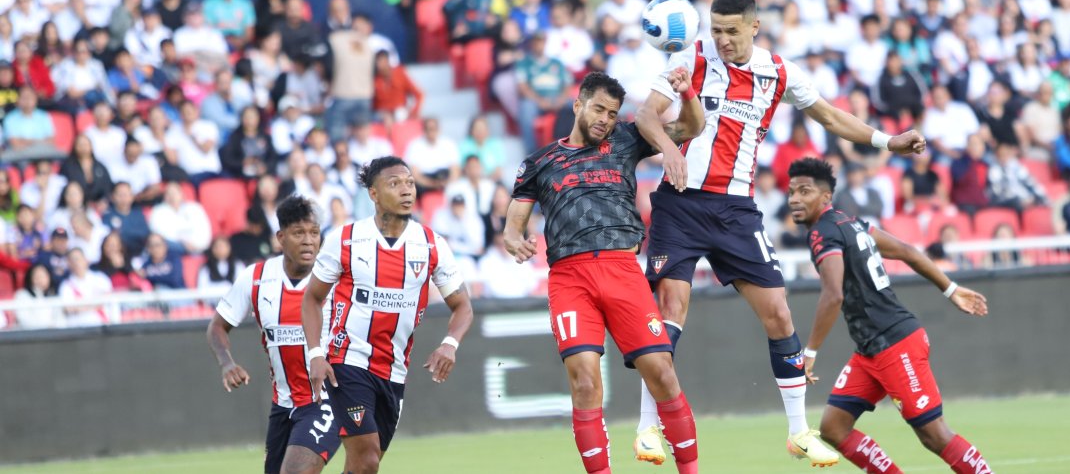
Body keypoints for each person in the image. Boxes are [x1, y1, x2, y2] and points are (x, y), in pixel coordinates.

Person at [634, 0, 926, 466]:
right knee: (671, 309)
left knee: (780, 315)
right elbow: (647, 115)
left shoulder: (779, 72)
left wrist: (887, 140)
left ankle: (797, 431)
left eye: (732, 31)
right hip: (680, 204)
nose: (722, 40)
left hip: (736, 210)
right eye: (717, 30)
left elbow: (829, 116)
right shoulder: (691, 55)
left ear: (754, 27)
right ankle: (648, 427)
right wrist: (667, 148)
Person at [504, 71, 703, 473]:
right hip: (569, 278)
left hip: (622, 268)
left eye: (612, 113)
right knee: (584, 382)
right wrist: (513, 239)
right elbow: (513, 222)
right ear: (578, 105)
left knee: (662, 374)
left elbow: (692, 126)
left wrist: (688, 92)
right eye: (598, 109)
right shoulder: (539, 163)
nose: (605, 119)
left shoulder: (627, 140)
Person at [787, 157, 992, 474]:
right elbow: (907, 251)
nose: (795, 199)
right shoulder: (851, 223)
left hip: (896, 345)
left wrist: (809, 352)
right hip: (871, 349)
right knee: (833, 427)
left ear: (826, 196)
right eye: (791, 192)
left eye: (804, 191)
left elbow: (833, 294)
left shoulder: (823, 234)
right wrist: (950, 290)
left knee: (934, 435)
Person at [302, 156, 473, 474]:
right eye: (394, 183)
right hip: (347, 361)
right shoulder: (346, 239)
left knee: (365, 465)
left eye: (409, 182)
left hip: (394, 371)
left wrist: (450, 343)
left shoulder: (431, 244)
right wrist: (315, 353)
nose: (407, 190)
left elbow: (463, 306)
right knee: (366, 457)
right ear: (374, 193)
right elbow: (312, 299)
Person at [206, 195, 342, 474]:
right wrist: (227, 362)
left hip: (326, 401)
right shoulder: (256, 278)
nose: (308, 240)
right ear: (281, 237)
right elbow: (217, 326)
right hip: (282, 406)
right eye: (298, 233)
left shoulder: (335, 280)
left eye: (314, 233)